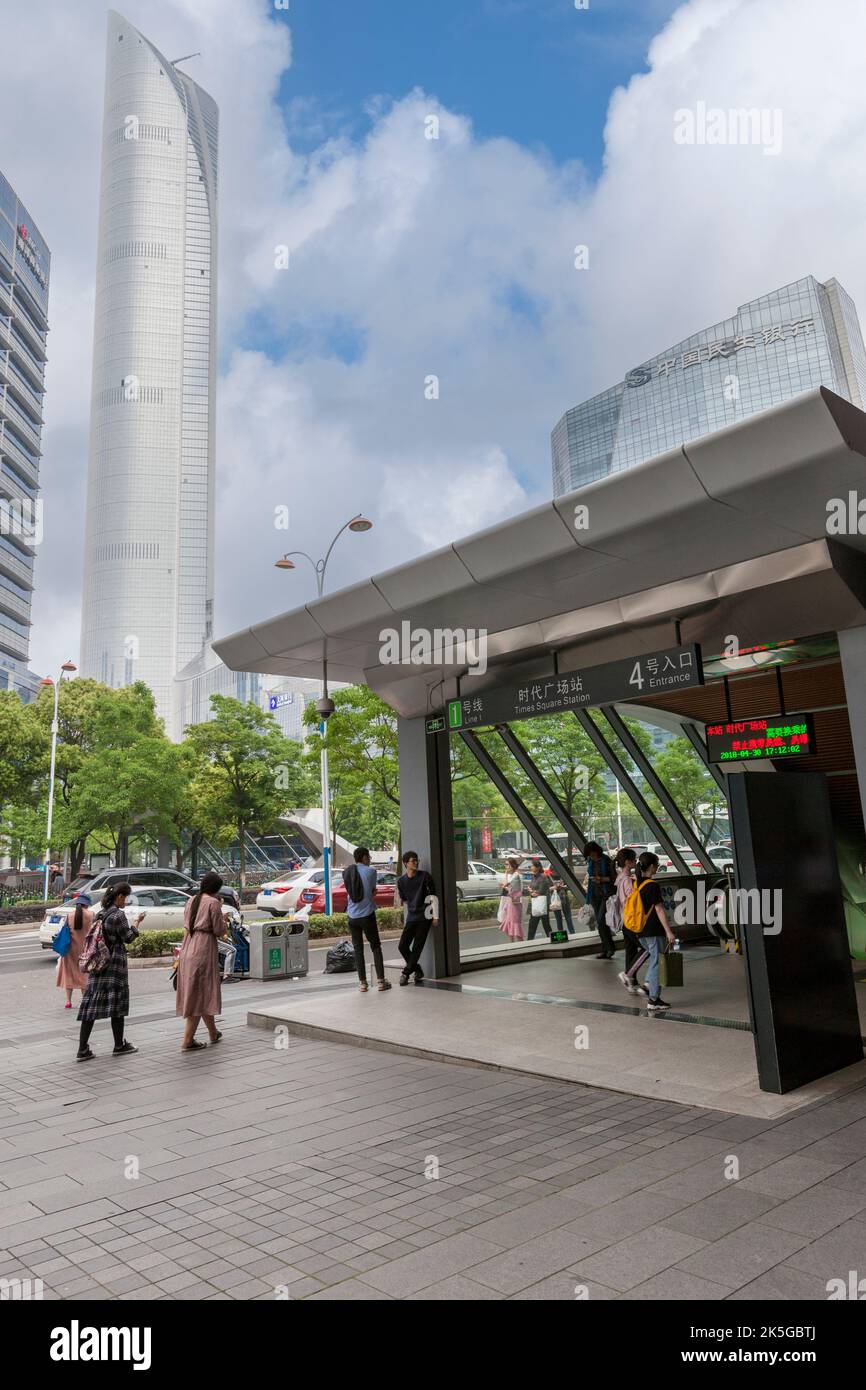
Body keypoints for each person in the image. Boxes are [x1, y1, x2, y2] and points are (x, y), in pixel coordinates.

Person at [76, 882, 143, 1062]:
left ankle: (82, 1049)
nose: (126, 901)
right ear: (120, 896)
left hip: (98, 964)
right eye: (126, 897)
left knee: (91, 1006)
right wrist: (136, 924)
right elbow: (128, 938)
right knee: (117, 1005)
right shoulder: (118, 915)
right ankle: (119, 1045)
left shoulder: (100, 914)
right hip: (114, 965)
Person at [176, 872, 228, 1051]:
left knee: (200, 992)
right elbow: (219, 930)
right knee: (199, 995)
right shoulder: (213, 903)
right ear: (216, 889)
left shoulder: (192, 900)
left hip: (188, 946)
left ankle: (213, 1033)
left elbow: (186, 924)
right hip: (203, 949)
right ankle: (187, 1041)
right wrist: (224, 919)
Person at [620, 851, 677, 1013]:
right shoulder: (652, 885)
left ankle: (651, 992)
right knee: (657, 963)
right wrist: (669, 932)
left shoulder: (637, 884)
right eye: (657, 865)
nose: (657, 867)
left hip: (640, 930)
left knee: (656, 961)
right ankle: (651, 996)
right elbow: (659, 910)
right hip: (654, 930)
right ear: (652, 866)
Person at [342, 847, 391, 993]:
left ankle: (362, 984)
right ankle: (381, 981)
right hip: (367, 915)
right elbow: (371, 892)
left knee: (358, 950)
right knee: (375, 946)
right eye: (369, 857)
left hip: (352, 916)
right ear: (364, 858)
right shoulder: (371, 872)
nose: (370, 860)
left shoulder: (347, 872)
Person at [397, 851, 437, 985]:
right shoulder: (401, 881)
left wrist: (435, 916)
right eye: (412, 861)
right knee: (402, 946)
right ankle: (417, 969)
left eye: (416, 860)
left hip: (425, 916)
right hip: (412, 917)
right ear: (405, 863)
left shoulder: (425, 876)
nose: (416, 863)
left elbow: (433, 897)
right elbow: (405, 900)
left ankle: (406, 973)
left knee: (417, 948)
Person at [614, 849, 647, 996]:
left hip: (624, 920)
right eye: (634, 859)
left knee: (631, 950)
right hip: (631, 920)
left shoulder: (621, 877)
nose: (636, 862)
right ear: (628, 862)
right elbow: (632, 900)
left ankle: (631, 983)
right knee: (646, 947)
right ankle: (628, 974)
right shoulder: (627, 880)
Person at [56, 890, 92, 1009]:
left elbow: (64, 931)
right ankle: (84, 1000)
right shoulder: (91, 914)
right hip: (85, 950)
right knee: (84, 974)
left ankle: (68, 1002)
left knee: (69, 975)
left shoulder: (69, 915)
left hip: (70, 951)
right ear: (86, 904)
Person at [585, 841, 616, 959]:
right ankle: (605, 949)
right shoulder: (591, 862)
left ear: (596, 851)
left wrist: (601, 879)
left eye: (592, 854)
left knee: (601, 921)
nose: (591, 856)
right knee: (600, 923)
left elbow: (613, 878)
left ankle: (610, 948)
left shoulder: (606, 861)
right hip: (594, 895)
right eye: (589, 855)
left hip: (605, 894)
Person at [498, 856, 524, 941]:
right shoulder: (512, 875)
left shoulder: (516, 875)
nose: (506, 867)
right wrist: (505, 884)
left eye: (507, 864)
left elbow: (506, 885)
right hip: (511, 901)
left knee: (515, 925)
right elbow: (507, 887)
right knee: (510, 925)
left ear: (512, 865)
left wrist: (505, 875)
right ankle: (512, 945)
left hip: (515, 902)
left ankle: (521, 945)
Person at [527, 858, 551, 940]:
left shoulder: (543, 877)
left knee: (546, 925)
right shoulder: (533, 877)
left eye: (532, 866)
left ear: (537, 867)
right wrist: (531, 891)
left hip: (542, 904)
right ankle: (529, 943)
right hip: (535, 904)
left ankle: (551, 939)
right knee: (532, 925)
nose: (531, 867)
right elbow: (531, 888)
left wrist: (533, 892)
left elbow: (542, 891)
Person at [550, 872, 575, 936]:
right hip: (556, 901)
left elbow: (570, 886)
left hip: (564, 900)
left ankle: (572, 934)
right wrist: (554, 888)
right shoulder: (549, 877)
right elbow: (547, 888)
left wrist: (562, 887)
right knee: (559, 919)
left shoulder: (564, 875)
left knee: (568, 919)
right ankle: (566, 935)